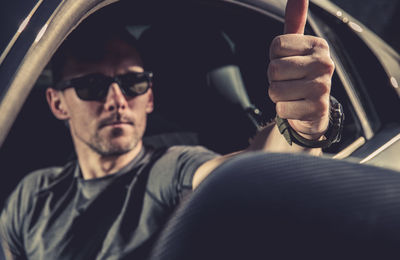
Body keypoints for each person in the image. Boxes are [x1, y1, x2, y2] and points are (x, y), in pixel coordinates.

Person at [0, 0, 338, 259]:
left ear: (149, 97)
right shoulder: (31, 195)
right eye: (92, 86)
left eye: (133, 82)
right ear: (58, 103)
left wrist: (301, 126)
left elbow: (255, 169)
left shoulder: (171, 168)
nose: (117, 100)